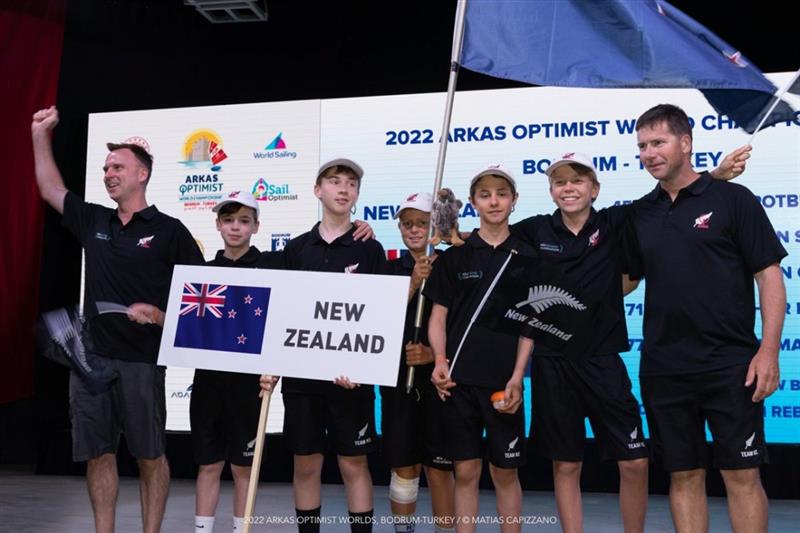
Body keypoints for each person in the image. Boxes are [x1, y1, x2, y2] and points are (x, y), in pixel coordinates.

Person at [31, 106, 204, 533]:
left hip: (143, 362)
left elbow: (204, 300)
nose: (109, 173)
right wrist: (39, 135)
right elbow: (52, 189)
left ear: (142, 174)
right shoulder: (95, 220)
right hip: (92, 361)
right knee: (99, 454)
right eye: (106, 167)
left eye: (118, 167)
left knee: (150, 456)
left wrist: (161, 314)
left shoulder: (170, 231)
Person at [627, 104, 786, 533]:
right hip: (663, 367)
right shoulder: (640, 213)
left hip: (730, 364)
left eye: (658, 142)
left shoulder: (735, 200)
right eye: (642, 145)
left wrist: (768, 352)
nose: (649, 153)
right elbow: (623, 282)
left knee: (741, 475)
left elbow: (769, 277)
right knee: (684, 475)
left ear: (686, 143)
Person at [280, 158, 388, 533]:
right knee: (306, 464)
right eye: (335, 181)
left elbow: (379, 316)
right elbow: (285, 315)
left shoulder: (370, 249)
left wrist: (364, 369)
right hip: (301, 381)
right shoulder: (295, 250)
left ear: (357, 194)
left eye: (351, 184)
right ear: (317, 190)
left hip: (351, 380)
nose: (344, 189)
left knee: (353, 464)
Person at [426, 165, 533, 533]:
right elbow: (437, 318)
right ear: (472, 203)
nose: (494, 201)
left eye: (502, 194)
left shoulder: (527, 256)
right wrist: (439, 360)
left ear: (514, 201)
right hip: (458, 384)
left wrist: (519, 376)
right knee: (466, 471)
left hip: (504, 385)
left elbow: (529, 325)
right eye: (485, 195)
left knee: (505, 471)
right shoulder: (455, 258)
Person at [190, 191, 282, 532]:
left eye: (244, 221)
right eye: (228, 220)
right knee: (209, 464)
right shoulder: (204, 272)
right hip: (208, 382)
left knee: (244, 467)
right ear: (217, 225)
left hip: (250, 386)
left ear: (256, 227)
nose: (235, 227)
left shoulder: (274, 265)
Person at [382, 192, 455, 533]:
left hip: (440, 384)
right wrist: (412, 282)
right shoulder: (388, 268)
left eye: (423, 223)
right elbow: (376, 321)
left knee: (439, 468)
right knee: (404, 467)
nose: (414, 230)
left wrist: (432, 354)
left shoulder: (452, 265)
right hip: (398, 382)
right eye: (408, 224)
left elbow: (463, 324)